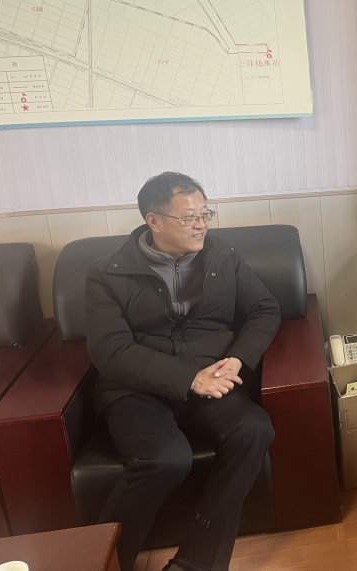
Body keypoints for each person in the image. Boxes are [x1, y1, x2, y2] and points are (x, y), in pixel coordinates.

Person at [85, 172, 281, 571]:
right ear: (153, 221)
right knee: (166, 459)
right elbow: (110, 349)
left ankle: (195, 562)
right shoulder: (108, 272)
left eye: (205, 214)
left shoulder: (222, 256)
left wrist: (238, 358)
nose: (202, 225)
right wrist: (189, 379)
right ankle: (100, 564)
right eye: (190, 217)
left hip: (210, 382)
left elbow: (265, 309)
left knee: (254, 428)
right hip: (135, 389)